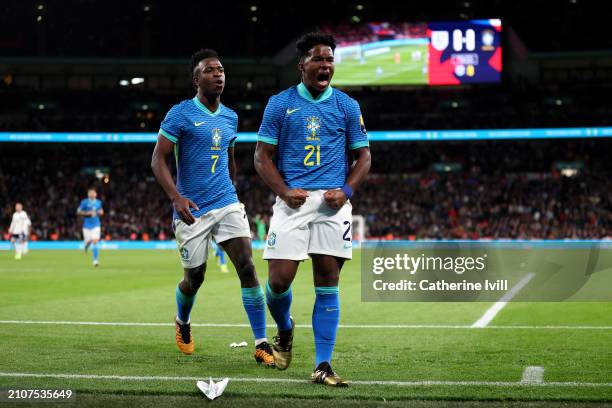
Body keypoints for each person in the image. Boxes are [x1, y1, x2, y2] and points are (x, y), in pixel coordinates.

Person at [254, 32, 371, 386]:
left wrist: (347, 190)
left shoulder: (347, 106)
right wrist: (285, 191)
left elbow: (364, 157)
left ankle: (323, 364)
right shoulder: (279, 104)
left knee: (327, 280)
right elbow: (261, 156)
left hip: (333, 204)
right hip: (293, 201)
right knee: (278, 281)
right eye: (319, 59)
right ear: (302, 63)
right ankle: (285, 328)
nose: (326, 65)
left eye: (330, 60)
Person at [151, 48, 273, 366]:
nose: (218, 74)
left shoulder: (231, 117)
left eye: (221, 70)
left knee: (247, 265)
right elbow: (158, 159)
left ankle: (261, 342)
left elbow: (230, 159)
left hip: (226, 202)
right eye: (210, 70)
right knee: (195, 277)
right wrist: (176, 197)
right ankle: (183, 321)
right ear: (196, 78)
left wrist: (231, 191)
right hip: (191, 207)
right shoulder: (180, 113)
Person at [77, 188, 103, 266]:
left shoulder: (99, 202)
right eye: (90, 193)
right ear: (88, 194)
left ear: (96, 194)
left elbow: (101, 211)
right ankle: (86, 246)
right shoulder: (84, 202)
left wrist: (101, 212)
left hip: (96, 224)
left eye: (93, 193)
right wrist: (86, 213)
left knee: (95, 241)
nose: (91, 194)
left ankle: (95, 260)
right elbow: (78, 211)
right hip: (87, 225)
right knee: (88, 241)